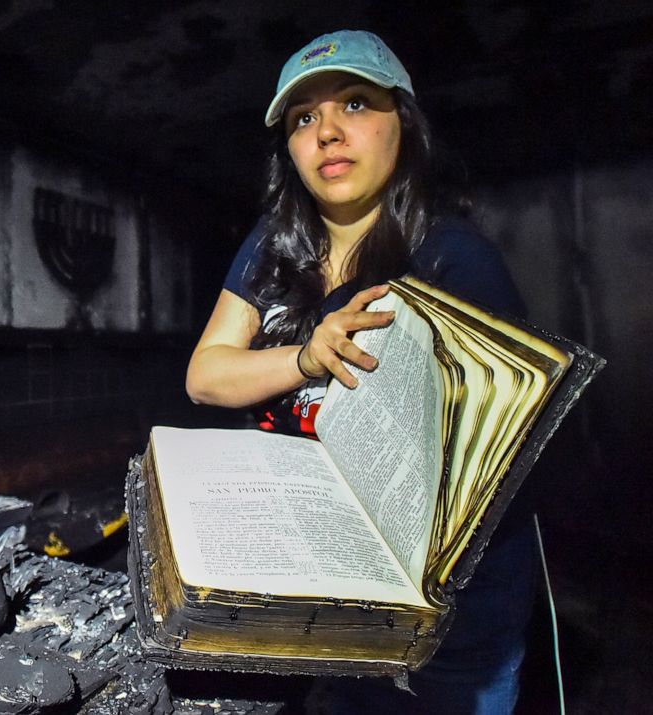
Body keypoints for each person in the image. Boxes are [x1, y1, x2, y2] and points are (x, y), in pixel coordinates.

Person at [185, 30, 537, 714]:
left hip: (448, 636)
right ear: (288, 148)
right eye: (303, 118)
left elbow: (489, 466)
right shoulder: (272, 244)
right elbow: (205, 373)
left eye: (354, 103)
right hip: (324, 607)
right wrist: (304, 358)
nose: (327, 133)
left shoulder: (454, 261)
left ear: (401, 123)